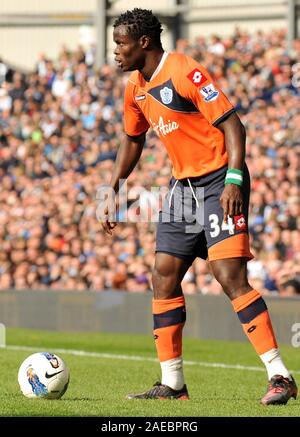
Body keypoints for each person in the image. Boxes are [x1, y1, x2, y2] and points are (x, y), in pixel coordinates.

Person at [101, 8, 297, 405]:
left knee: (229, 276)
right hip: (182, 189)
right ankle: (172, 383)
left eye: (121, 44)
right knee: (163, 275)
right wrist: (113, 188)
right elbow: (133, 139)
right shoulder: (135, 88)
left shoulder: (185, 72)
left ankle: (280, 375)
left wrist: (234, 179)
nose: (116, 53)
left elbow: (233, 125)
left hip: (218, 181)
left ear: (144, 42)